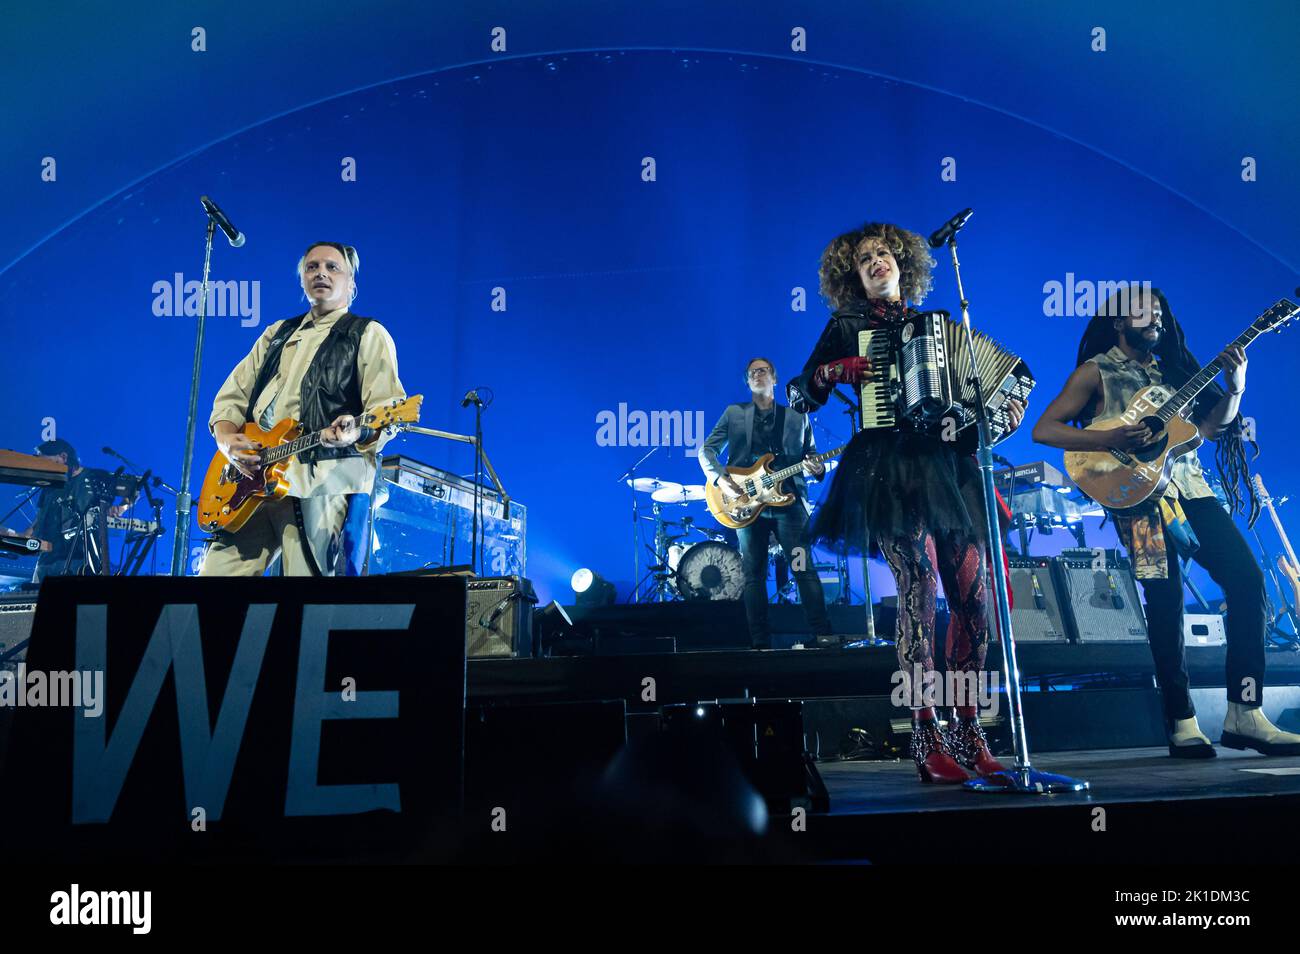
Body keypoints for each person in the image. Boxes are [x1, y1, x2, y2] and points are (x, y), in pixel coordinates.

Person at [787, 222, 1026, 783]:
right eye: (865, 258)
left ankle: (969, 731)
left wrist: (978, 418)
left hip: (947, 468)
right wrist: (831, 370)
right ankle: (925, 736)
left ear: (904, 264)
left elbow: (988, 390)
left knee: (972, 598)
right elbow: (800, 397)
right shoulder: (846, 325)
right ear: (853, 275)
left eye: (885, 253)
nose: (877, 261)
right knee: (917, 591)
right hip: (886, 468)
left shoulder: (938, 326)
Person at [1031, 285, 1300, 757]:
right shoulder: (1096, 372)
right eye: (1143, 312)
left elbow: (1213, 429)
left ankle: (1246, 714)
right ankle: (1181, 720)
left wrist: (1236, 387)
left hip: (1192, 490)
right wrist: (1113, 434)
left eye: (1159, 312)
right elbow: (1044, 428)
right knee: (1166, 599)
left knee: (1247, 578)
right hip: (1134, 496)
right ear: (1118, 322)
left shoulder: (1176, 374)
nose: (1155, 318)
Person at [200, 242, 405, 577]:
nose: (320, 273)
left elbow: (388, 409)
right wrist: (226, 441)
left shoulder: (368, 334)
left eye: (332, 267)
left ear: (351, 283)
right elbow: (232, 396)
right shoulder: (276, 334)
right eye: (312, 267)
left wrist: (358, 430)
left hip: (321, 480)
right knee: (211, 585)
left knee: (305, 603)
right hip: (251, 478)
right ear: (302, 280)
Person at [700, 357, 834, 649]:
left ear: (774, 378)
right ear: (747, 382)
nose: (758, 375)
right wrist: (721, 480)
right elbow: (706, 451)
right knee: (754, 574)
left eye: (763, 371)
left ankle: (823, 634)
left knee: (804, 568)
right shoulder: (734, 413)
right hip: (746, 503)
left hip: (789, 503)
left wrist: (817, 468)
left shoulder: (798, 416)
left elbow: (811, 457)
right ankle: (760, 643)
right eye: (752, 373)